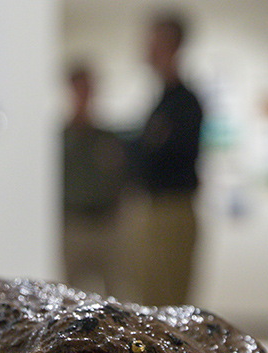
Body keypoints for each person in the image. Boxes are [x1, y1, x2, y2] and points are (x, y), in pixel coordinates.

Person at [122, 11, 204, 307]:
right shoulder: (164, 101)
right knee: (152, 297)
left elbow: (161, 153)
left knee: (169, 302)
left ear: (171, 46)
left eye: (154, 42)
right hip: (156, 208)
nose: (147, 49)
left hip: (173, 208)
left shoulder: (184, 102)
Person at [62, 63, 126, 297]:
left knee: (115, 293)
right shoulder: (60, 138)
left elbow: (119, 179)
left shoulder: (107, 138)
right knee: (71, 296)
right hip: (73, 225)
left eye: (87, 89)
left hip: (105, 225)